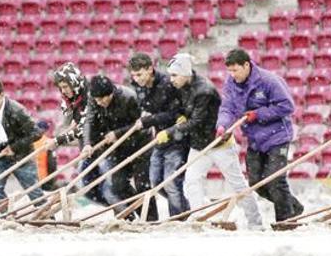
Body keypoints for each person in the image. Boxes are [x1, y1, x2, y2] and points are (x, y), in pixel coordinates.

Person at [161, 53, 262, 227]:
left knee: (237, 184)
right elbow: (184, 112)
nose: (171, 79)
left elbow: (197, 121)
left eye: (174, 75)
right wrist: (181, 116)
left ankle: (256, 222)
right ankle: (200, 218)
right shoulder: (182, 87)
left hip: (219, 144)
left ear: (185, 73)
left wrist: (171, 131)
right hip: (199, 145)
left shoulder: (204, 90)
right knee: (192, 181)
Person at [216, 48, 303, 222]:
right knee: (256, 183)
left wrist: (258, 114)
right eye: (230, 71)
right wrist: (222, 125)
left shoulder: (268, 80)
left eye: (235, 70)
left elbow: (287, 106)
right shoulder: (231, 84)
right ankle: (293, 206)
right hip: (254, 139)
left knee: (275, 180)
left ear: (246, 65)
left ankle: (285, 221)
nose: (232, 75)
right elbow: (227, 108)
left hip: (277, 136)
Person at [81, 75, 157, 221]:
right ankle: (138, 214)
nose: (100, 102)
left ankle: (151, 220)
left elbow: (139, 125)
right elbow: (89, 122)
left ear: (111, 93)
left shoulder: (128, 97)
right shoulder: (94, 99)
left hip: (140, 143)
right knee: (119, 185)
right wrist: (87, 144)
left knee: (142, 185)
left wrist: (117, 133)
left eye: (103, 99)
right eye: (97, 100)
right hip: (118, 148)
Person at [128, 52, 189, 217]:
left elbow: (175, 113)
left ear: (150, 69)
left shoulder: (167, 84)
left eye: (139, 74)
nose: (136, 79)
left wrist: (148, 120)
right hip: (159, 139)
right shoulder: (137, 86)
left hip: (176, 137)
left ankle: (178, 218)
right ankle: (185, 208)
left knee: (171, 182)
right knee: (155, 181)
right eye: (133, 75)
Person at [0, 77, 44, 204]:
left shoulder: (17, 110)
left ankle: (49, 218)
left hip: (22, 155)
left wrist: (14, 148)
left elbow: (37, 133)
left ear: (1, 95)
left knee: (34, 192)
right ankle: (8, 215)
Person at [46, 62, 104, 203]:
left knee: (107, 183)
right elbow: (72, 122)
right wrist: (64, 132)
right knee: (88, 181)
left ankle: (118, 207)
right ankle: (104, 205)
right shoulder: (70, 97)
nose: (63, 91)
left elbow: (84, 127)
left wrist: (59, 140)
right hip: (87, 141)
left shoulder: (89, 95)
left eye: (65, 86)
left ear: (74, 82)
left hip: (101, 138)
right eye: (61, 87)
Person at [33, 120, 58, 191]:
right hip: (44, 177)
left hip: (32, 176)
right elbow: (52, 163)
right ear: (46, 130)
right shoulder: (48, 142)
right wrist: (52, 178)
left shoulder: (30, 140)